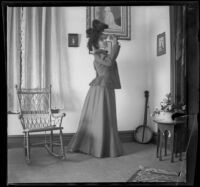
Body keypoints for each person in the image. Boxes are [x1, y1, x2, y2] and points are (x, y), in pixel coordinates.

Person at [67, 19, 123, 158]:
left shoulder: (102, 53)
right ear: (96, 42)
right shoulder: (98, 54)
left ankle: (103, 146)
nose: (105, 41)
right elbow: (109, 63)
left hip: (104, 87)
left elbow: (110, 62)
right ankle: (100, 148)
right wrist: (115, 45)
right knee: (103, 116)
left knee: (106, 117)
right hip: (101, 89)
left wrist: (115, 45)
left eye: (105, 39)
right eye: (102, 39)